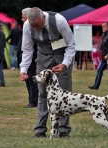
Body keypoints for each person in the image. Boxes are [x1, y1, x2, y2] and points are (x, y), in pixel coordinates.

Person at [20, 7, 76, 138]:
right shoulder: (27, 25)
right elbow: (27, 49)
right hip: (43, 59)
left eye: (39, 26)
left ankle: (63, 130)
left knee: (64, 96)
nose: (38, 29)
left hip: (62, 58)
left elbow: (71, 44)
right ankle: (40, 130)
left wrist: (64, 64)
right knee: (42, 95)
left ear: (43, 18)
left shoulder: (59, 20)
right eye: (34, 27)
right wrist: (23, 69)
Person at [18, 7, 38, 108]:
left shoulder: (34, 29)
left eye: (23, 17)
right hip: (26, 56)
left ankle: (34, 101)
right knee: (27, 80)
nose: (22, 19)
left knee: (31, 79)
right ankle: (32, 99)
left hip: (32, 58)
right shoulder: (25, 28)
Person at [88, 22, 108, 90]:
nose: (102, 28)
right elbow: (103, 44)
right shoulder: (104, 34)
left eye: (104, 26)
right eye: (102, 26)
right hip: (103, 56)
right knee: (99, 70)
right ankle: (96, 86)